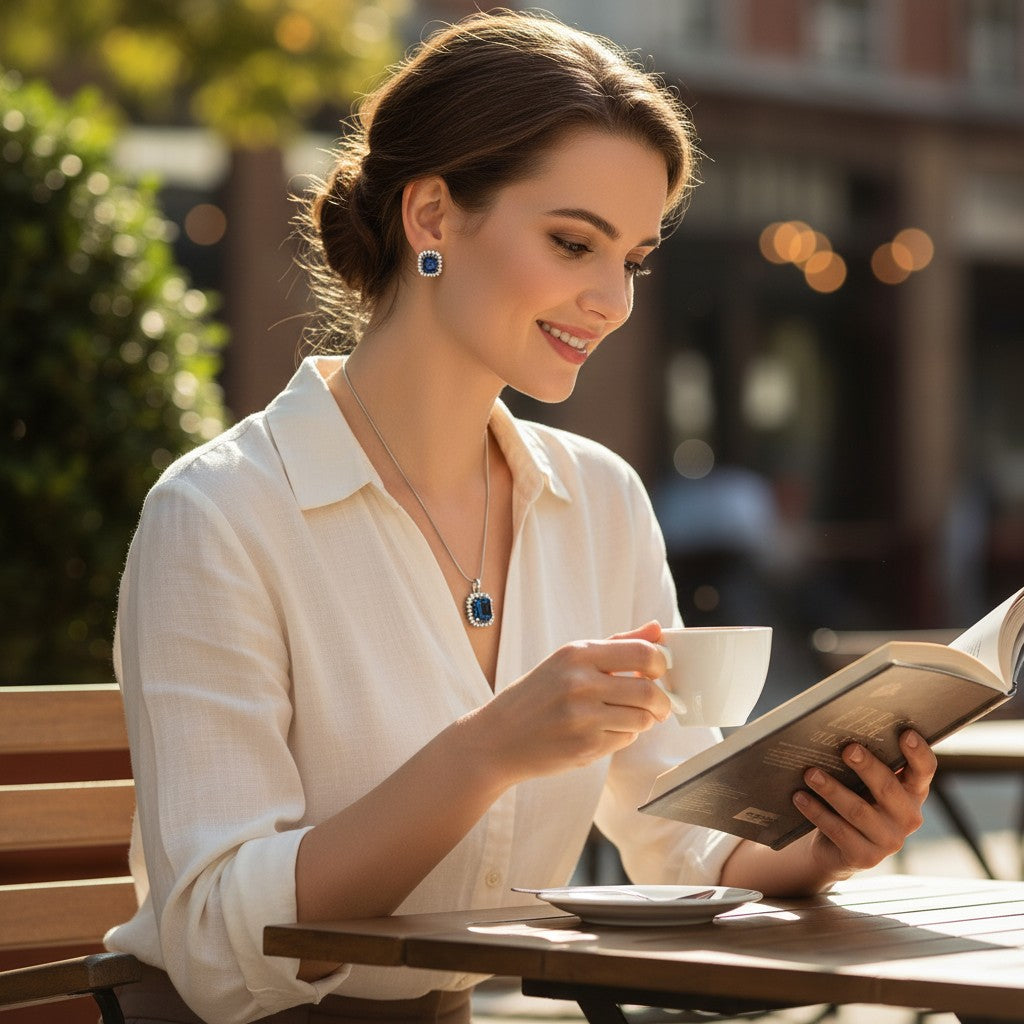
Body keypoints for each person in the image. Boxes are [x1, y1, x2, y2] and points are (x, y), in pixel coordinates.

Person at [106, 10, 937, 1024]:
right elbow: (209, 944)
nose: (611, 298)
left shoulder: (597, 501)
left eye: (630, 257)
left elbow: (677, 833)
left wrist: (820, 842)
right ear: (431, 217)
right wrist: (487, 748)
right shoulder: (222, 512)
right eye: (571, 242)